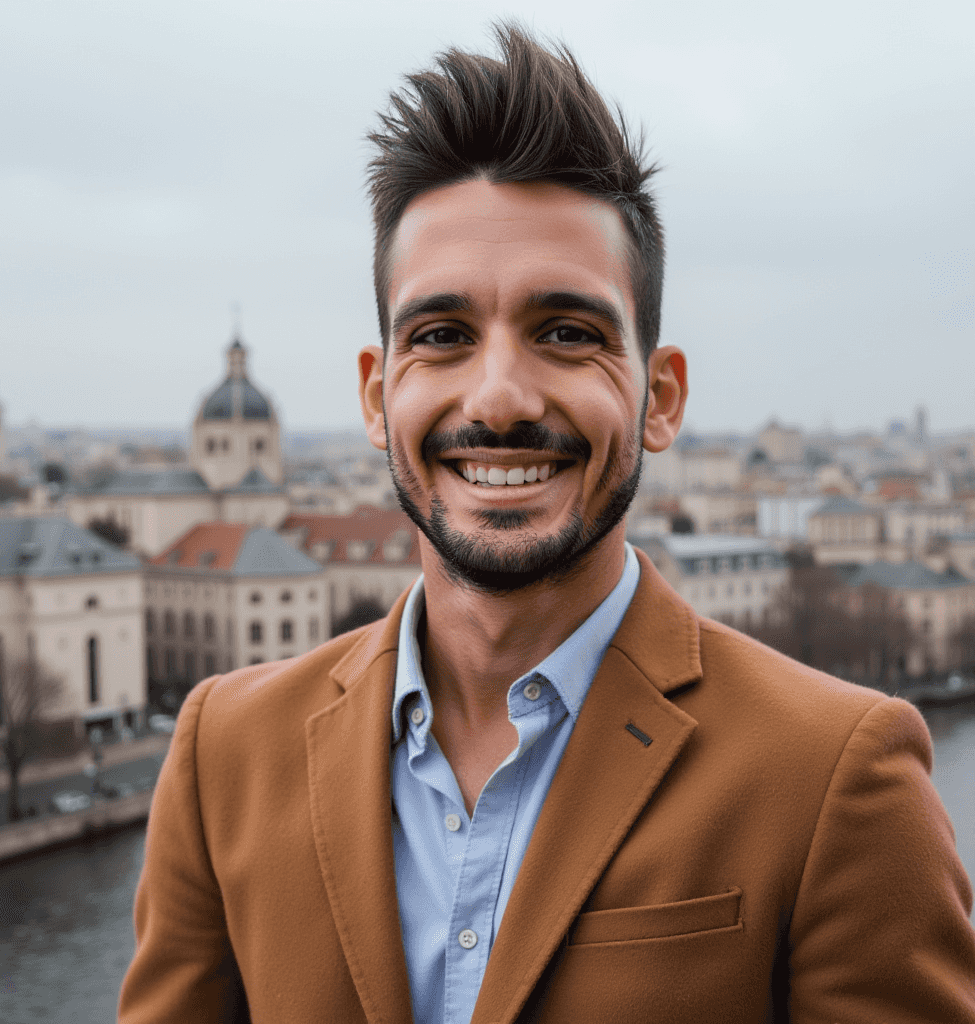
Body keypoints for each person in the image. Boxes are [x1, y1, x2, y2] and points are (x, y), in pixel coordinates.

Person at [119, 26, 975, 1024]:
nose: (500, 396)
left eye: (566, 332)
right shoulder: (221, 752)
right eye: (441, 335)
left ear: (660, 397)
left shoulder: (835, 773)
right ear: (375, 392)